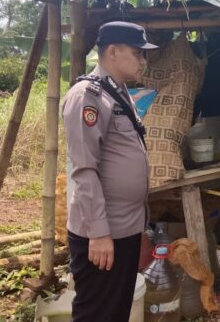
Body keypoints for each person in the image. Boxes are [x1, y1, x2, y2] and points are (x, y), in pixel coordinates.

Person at [62, 21, 157, 322]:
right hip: (104, 232)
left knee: (116, 312)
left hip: (124, 228)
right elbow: (84, 170)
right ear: (113, 52)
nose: (143, 60)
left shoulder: (117, 92)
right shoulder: (88, 96)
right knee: (97, 314)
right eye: (137, 53)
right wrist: (99, 234)